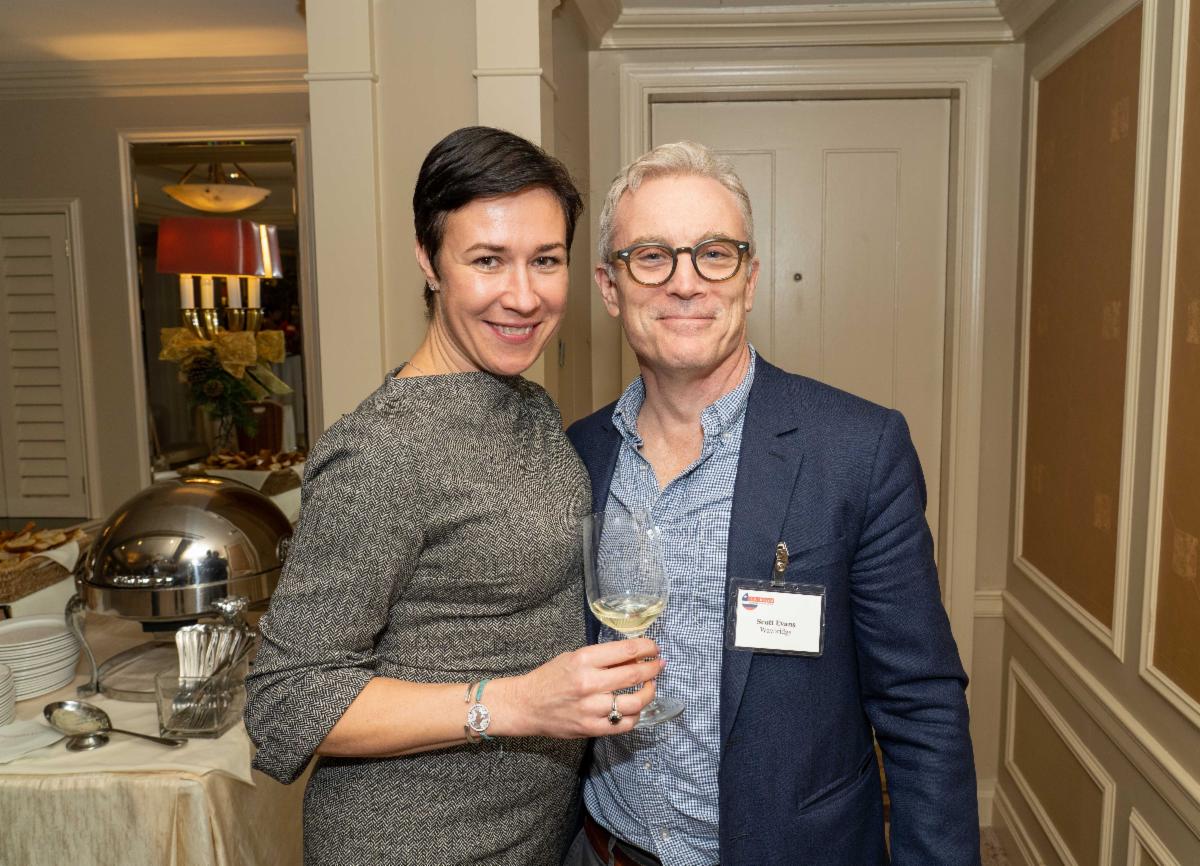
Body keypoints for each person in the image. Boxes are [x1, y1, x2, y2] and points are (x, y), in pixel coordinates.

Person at [244, 126, 666, 866]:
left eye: (545, 260)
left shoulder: (527, 404)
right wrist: (516, 703)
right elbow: (285, 700)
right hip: (413, 842)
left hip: (532, 833)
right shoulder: (381, 449)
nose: (523, 296)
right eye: (487, 260)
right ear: (429, 261)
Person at [564, 141, 979, 866]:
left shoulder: (856, 450)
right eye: (652, 257)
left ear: (749, 278)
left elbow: (921, 706)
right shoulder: (577, 454)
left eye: (714, 255)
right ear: (610, 286)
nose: (685, 283)